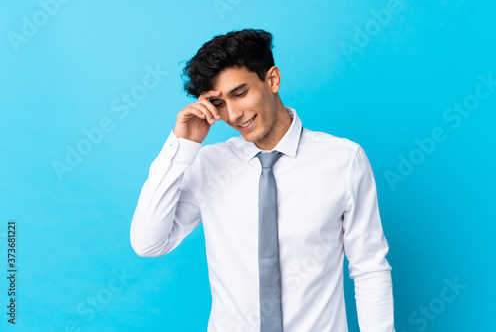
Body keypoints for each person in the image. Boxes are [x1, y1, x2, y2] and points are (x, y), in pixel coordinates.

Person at [130, 28, 395, 332]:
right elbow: (147, 243)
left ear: (272, 80)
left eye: (240, 93)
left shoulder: (343, 160)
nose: (233, 114)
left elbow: (370, 268)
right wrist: (182, 146)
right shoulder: (208, 164)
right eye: (219, 104)